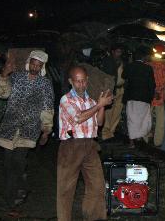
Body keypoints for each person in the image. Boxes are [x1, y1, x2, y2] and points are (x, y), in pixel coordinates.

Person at [0, 50, 54, 208]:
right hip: (10, 126)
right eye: (33, 63)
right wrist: (4, 75)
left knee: (18, 162)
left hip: (29, 129)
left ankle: (11, 197)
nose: (35, 67)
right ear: (29, 63)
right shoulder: (16, 77)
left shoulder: (45, 84)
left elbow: (47, 108)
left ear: (42, 67)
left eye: (38, 65)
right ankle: (20, 187)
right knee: (8, 163)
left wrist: (46, 130)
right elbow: (3, 94)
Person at [57, 66, 113, 221]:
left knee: (97, 186)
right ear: (71, 82)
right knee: (66, 189)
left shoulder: (91, 101)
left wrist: (102, 105)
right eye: (77, 82)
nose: (81, 85)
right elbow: (78, 118)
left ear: (87, 80)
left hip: (90, 145)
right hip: (71, 146)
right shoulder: (66, 99)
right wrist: (98, 105)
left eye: (83, 81)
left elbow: (99, 122)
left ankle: (94, 217)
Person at [123, 47, 155, 148]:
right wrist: (151, 96)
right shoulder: (148, 68)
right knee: (143, 118)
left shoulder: (130, 66)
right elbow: (152, 84)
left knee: (131, 119)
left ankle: (132, 142)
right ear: (144, 57)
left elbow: (124, 75)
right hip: (144, 98)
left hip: (131, 96)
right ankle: (139, 137)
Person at [101, 44, 126, 141]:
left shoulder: (122, 61)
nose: (119, 54)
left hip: (121, 89)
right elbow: (107, 74)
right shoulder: (108, 61)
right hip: (112, 89)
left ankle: (111, 132)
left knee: (117, 111)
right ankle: (105, 133)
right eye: (117, 52)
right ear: (113, 51)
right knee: (109, 111)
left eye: (120, 52)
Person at [149, 47, 165, 147]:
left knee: (146, 117)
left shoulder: (148, 65)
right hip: (161, 97)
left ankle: (145, 137)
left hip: (149, 95)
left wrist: (154, 90)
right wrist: (159, 91)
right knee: (160, 120)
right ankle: (158, 141)